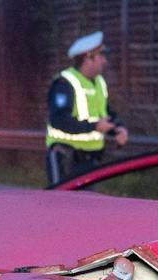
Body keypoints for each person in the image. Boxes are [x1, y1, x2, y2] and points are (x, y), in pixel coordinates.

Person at [45, 31, 129, 185]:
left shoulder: (98, 83)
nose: (105, 61)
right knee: (62, 207)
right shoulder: (65, 83)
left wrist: (118, 128)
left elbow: (104, 113)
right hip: (66, 159)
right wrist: (95, 126)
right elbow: (59, 120)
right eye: (101, 56)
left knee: (88, 207)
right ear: (88, 58)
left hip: (90, 161)